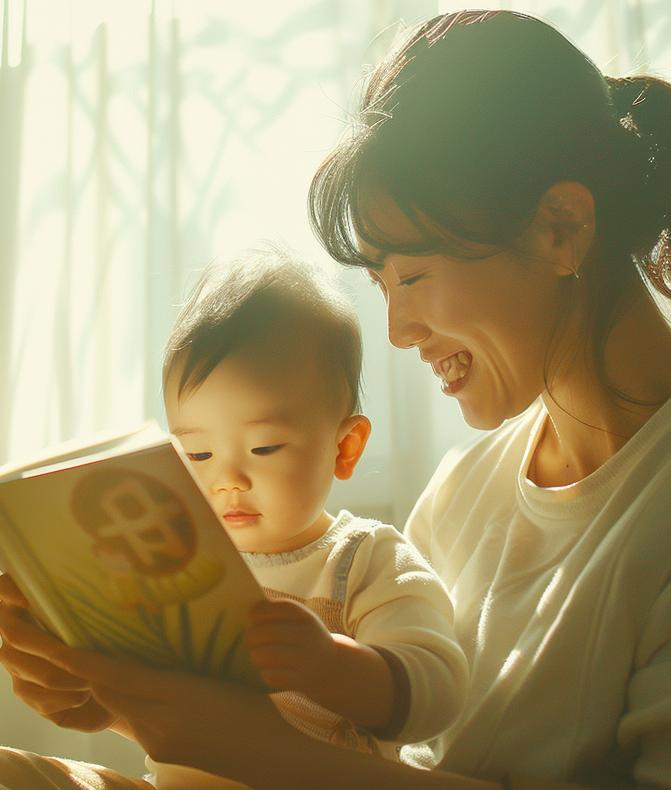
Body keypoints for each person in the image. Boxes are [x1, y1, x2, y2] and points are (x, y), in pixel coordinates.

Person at [0, 10, 671, 790]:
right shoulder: (468, 489)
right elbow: (382, 748)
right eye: (380, 284)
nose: (399, 330)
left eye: (413, 275)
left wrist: (241, 745)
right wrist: (114, 689)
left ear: (561, 226)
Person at [146, 246, 466, 788]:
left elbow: (439, 693)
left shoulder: (363, 561)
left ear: (345, 446)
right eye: (197, 454)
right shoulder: (180, 562)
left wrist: (330, 666)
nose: (227, 479)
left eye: (265, 448)